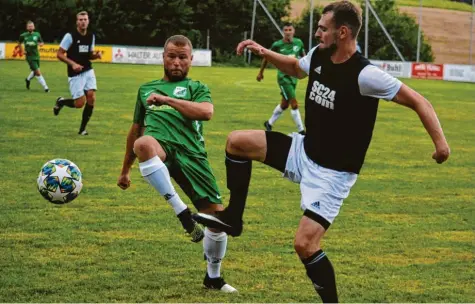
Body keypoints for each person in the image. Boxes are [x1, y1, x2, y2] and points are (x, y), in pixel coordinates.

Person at [193, 1, 450, 302]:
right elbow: (294, 67)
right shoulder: (318, 54)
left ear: (342, 32)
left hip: (333, 174)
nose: (316, 33)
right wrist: (264, 52)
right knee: (237, 141)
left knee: (305, 245)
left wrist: (441, 145)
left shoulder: (366, 75)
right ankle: (233, 217)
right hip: (303, 149)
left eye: (322, 28)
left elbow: (420, 101)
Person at [117, 35, 237, 293]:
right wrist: (125, 170)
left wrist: (167, 100)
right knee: (144, 143)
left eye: (182, 57)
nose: (176, 62)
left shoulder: (197, 86)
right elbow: (135, 130)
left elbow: (206, 112)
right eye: (171, 56)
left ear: (191, 60)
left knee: (217, 223)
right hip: (161, 149)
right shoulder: (145, 89)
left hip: (192, 156)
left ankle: (213, 278)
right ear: (163, 57)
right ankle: (181, 212)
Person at [54, 11, 102, 135]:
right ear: (77, 22)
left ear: (88, 21)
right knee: (80, 103)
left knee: (91, 97)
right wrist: (73, 64)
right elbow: (59, 54)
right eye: (80, 20)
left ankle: (82, 129)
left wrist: (96, 56)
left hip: (88, 70)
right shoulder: (70, 36)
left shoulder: (91, 36)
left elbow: (89, 54)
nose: (83, 22)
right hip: (75, 73)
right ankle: (61, 102)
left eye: (85, 19)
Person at [257, 22, 306, 135]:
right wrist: (261, 72)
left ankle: (269, 123)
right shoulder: (277, 45)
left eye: (290, 30)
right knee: (294, 104)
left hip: (294, 77)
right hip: (284, 78)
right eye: (286, 30)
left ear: (293, 31)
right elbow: (266, 57)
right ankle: (301, 131)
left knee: (284, 104)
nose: (288, 32)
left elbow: (304, 57)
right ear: (283, 32)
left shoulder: (299, 43)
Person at [18, 21, 49, 92]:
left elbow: (42, 42)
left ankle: (27, 79)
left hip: (36, 55)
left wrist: (41, 44)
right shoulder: (23, 35)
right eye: (29, 26)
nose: (30, 27)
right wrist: (22, 51)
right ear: (27, 27)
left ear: (34, 27)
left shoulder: (37, 34)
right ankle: (46, 88)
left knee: (35, 71)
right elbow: (19, 43)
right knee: (38, 72)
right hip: (29, 57)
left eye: (32, 26)